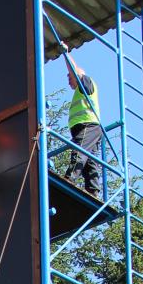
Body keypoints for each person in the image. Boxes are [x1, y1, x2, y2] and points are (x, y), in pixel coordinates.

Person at [60, 44, 102, 197]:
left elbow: (74, 69)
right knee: (90, 161)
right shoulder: (81, 91)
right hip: (89, 127)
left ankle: (69, 179)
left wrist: (65, 53)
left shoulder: (86, 83)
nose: (69, 81)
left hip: (87, 126)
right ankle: (93, 190)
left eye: (70, 77)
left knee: (79, 151)